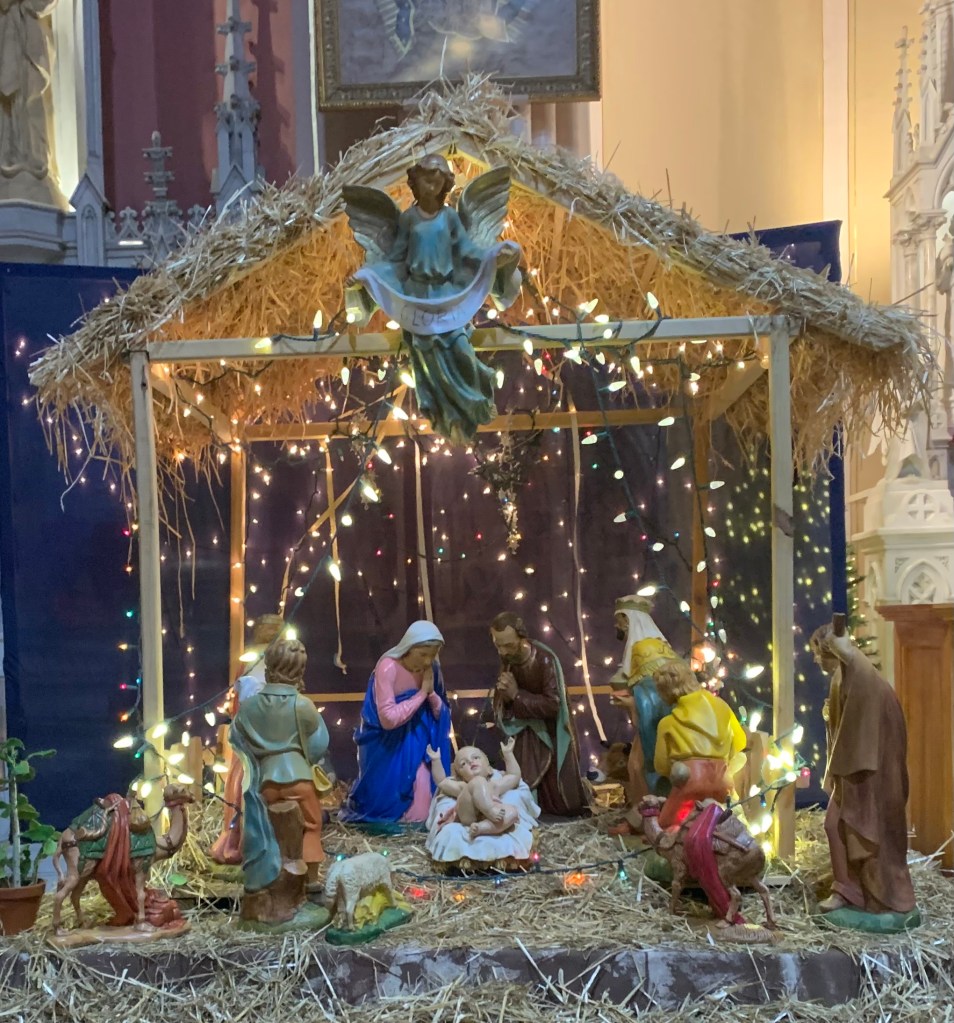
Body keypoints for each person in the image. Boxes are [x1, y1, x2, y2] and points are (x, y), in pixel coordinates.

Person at [343, 153, 521, 443]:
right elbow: (395, 260)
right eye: (426, 179)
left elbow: (467, 251)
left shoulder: (450, 218)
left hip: (447, 296)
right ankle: (443, 415)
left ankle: (477, 395)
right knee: (425, 358)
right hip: (416, 298)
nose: (431, 186)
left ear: (444, 185)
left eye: (437, 181)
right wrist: (368, 276)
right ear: (416, 181)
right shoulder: (408, 219)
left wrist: (493, 256)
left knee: (460, 346)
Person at [810, 624, 916, 918]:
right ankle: (848, 889)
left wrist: (846, 651)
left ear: (832, 650)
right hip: (854, 769)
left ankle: (866, 893)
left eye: (818, 653)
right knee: (837, 826)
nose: (816, 660)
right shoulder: (843, 677)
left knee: (854, 831)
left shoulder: (861, 674)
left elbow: (864, 727)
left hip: (869, 774)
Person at [230, 637, 329, 890]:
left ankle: (269, 875)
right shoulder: (303, 705)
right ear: (300, 671)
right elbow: (319, 743)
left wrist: (258, 753)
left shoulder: (250, 707)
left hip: (266, 781)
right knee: (311, 825)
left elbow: (236, 737)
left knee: (268, 828)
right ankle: (310, 879)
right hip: (298, 778)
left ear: (268, 667)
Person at [339, 620, 452, 824]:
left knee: (423, 804)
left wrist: (431, 694)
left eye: (433, 654)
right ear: (409, 648)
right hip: (386, 745)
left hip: (419, 742)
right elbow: (388, 719)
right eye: (422, 654)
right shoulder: (388, 667)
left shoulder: (432, 668)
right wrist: (421, 694)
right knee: (385, 798)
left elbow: (441, 713)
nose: (428, 660)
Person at [490, 611, 590, 817]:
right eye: (498, 645)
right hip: (525, 735)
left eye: (508, 645)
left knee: (559, 800)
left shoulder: (544, 660)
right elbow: (503, 702)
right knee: (524, 782)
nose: (502, 651)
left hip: (550, 735)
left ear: (522, 637)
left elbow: (553, 705)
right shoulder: (509, 660)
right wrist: (504, 697)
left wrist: (516, 695)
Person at [605, 594, 680, 836]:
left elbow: (655, 694)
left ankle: (651, 822)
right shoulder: (650, 646)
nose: (617, 626)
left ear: (630, 620)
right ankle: (642, 819)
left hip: (658, 726)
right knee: (636, 766)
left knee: (641, 767)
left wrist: (632, 702)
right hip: (654, 725)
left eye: (620, 621)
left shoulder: (645, 649)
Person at [653, 660, 747, 830]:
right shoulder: (723, 707)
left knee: (668, 823)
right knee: (730, 816)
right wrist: (723, 757)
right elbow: (741, 741)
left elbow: (661, 765)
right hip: (722, 778)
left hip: (689, 781)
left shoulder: (667, 723)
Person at [426, 738, 521, 839]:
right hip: (469, 813)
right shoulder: (463, 786)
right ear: (461, 777)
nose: (471, 761)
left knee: (512, 813)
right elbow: (441, 781)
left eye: (476, 757)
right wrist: (436, 760)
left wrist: (508, 754)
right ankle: (489, 810)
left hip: (488, 818)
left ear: (489, 769)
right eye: (463, 763)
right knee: (478, 781)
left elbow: (514, 776)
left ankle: (482, 828)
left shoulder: (494, 785)